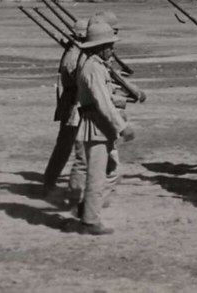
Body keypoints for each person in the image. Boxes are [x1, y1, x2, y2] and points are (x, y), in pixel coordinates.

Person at [73, 20, 135, 235]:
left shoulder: (97, 66)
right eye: (109, 45)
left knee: (110, 171)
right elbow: (103, 102)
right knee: (97, 175)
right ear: (99, 47)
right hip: (96, 125)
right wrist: (122, 126)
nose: (112, 49)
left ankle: (86, 209)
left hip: (101, 125)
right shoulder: (93, 68)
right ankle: (89, 221)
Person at [42, 18, 88, 199]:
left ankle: (50, 182)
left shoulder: (74, 51)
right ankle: (67, 190)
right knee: (75, 147)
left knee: (65, 144)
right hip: (75, 103)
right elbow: (80, 80)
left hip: (72, 101)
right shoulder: (75, 55)